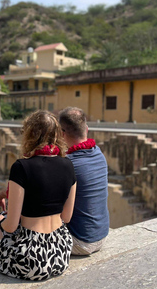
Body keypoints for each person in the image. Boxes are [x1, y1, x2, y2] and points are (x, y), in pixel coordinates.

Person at [0, 110, 77, 281]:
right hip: (60, 253)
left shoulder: (21, 167)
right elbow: (67, 217)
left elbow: (10, 226)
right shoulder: (68, 165)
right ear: (56, 135)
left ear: (30, 134)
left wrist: (0, 221)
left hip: (31, 259)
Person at [58, 107, 109, 256]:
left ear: (62, 134)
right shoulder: (99, 154)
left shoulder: (67, 164)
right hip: (102, 236)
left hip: (80, 242)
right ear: (86, 129)